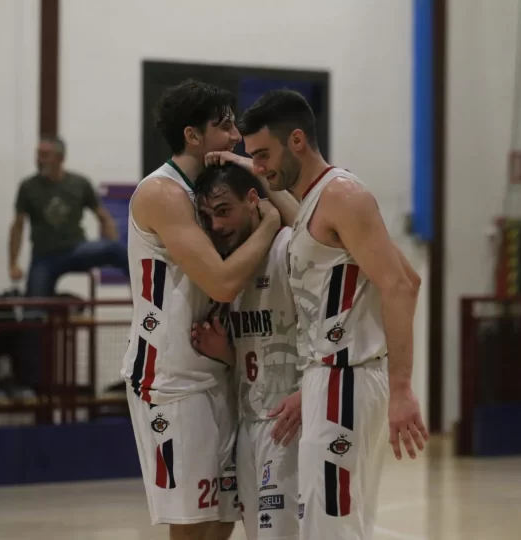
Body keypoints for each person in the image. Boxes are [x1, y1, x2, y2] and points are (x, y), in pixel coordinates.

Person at [239, 90, 429, 540]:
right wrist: (314, 381)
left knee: (329, 528)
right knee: (335, 524)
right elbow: (410, 276)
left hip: (345, 379)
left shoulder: (342, 195)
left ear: (297, 141)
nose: (259, 168)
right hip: (331, 379)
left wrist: (402, 388)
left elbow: (400, 287)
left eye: (263, 155)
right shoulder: (314, 201)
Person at [120, 79, 295, 540]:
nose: (236, 135)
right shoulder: (162, 193)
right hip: (172, 379)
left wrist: (252, 171)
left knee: (221, 521)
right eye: (224, 126)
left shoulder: (207, 189)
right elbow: (221, 280)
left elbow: (305, 224)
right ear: (192, 136)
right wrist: (269, 223)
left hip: (215, 372)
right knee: (193, 525)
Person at [190, 162, 302, 540]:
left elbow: (313, 229)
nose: (216, 225)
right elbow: (264, 345)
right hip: (248, 423)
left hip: (288, 422)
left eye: (224, 211)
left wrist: (311, 390)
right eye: (208, 217)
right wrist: (228, 354)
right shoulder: (230, 267)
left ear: (253, 199)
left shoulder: (287, 245)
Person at [9, 135, 128, 297]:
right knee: (34, 308)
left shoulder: (79, 183)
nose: (39, 160)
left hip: (76, 250)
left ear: (60, 158)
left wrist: (111, 243)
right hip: (44, 256)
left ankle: (146, 293)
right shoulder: (28, 187)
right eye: (38, 155)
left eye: (45, 155)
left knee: (115, 250)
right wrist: (13, 264)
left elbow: (104, 218)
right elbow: (17, 226)